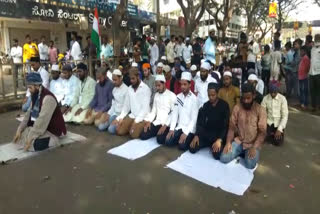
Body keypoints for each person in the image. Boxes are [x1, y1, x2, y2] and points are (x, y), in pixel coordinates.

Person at [13, 72, 67, 151]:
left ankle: (54, 140)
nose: (29, 90)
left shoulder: (48, 98)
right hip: (44, 127)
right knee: (22, 135)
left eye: (30, 88)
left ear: (37, 86)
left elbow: (42, 120)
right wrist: (19, 129)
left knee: (35, 144)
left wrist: (31, 136)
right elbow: (28, 114)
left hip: (53, 130)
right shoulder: (35, 95)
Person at [220, 83, 267, 169]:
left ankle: (246, 153)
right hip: (239, 141)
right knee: (223, 158)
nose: (245, 101)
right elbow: (231, 127)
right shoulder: (237, 107)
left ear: (254, 96)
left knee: (250, 165)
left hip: (252, 144)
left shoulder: (260, 110)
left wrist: (254, 147)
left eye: (248, 98)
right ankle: (241, 152)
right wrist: (228, 143)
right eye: (244, 98)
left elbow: (262, 132)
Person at [189, 83, 230, 158]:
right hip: (206, 135)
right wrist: (197, 135)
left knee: (217, 155)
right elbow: (200, 122)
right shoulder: (206, 105)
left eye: (213, 95)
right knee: (192, 148)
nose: (211, 97)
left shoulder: (224, 105)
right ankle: (208, 144)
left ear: (217, 94)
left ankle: (216, 144)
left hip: (218, 136)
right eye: (209, 95)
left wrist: (219, 140)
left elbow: (226, 125)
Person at [162, 72, 199, 150]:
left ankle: (184, 139)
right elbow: (174, 114)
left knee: (182, 146)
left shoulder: (194, 99)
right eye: (181, 84)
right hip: (180, 127)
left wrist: (186, 133)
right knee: (167, 141)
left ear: (190, 85)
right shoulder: (178, 97)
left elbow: (194, 119)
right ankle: (179, 139)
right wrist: (172, 129)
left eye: (185, 84)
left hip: (189, 129)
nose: (182, 86)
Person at [114, 68, 151, 138]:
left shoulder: (146, 89)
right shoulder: (130, 89)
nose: (131, 81)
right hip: (133, 115)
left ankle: (133, 127)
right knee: (118, 131)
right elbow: (126, 106)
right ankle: (130, 127)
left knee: (133, 135)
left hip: (142, 117)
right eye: (130, 79)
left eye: (133, 79)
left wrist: (135, 122)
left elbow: (145, 109)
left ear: (138, 77)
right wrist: (121, 117)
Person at [140, 75, 177, 141]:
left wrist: (165, 125)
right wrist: (149, 121)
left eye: (159, 85)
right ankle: (156, 132)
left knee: (160, 139)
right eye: (156, 86)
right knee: (143, 135)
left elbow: (173, 113)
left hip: (167, 124)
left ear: (164, 84)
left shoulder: (172, 95)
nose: (157, 88)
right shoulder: (156, 95)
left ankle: (159, 133)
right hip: (157, 122)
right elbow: (154, 111)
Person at [98, 69, 128, 133]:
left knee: (111, 130)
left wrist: (118, 119)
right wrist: (108, 114)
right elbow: (113, 104)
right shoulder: (114, 90)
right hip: (114, 113)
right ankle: (111, 123)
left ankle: (114, 125)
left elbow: (126, 109)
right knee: (100, 126)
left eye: (115, 80)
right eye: (113, 80)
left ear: (121, 78)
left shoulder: (126, 90)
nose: (113, 82)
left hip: (122, 115)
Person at [261, 82, 288, 146]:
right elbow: (262, 113)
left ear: (277, 91)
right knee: (261, 138)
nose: (273, 94)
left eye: (274, 92)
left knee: (278, 142)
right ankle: (270, 134)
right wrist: (262, 126)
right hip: (268, 122)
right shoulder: (265, 98)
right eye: (271, 92)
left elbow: (285, 116)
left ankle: (272, 135)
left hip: (278, 123)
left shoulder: (283, 99)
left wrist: (279, 129)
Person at [309, 34, 320, 111]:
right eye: (315, 38)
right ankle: (314, 106)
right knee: (312, 90)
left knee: (318, 90)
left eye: (317, 38)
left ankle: (318, 106)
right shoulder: (312, 49)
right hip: (311, 73)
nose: (316, 40)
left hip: (319, 73)